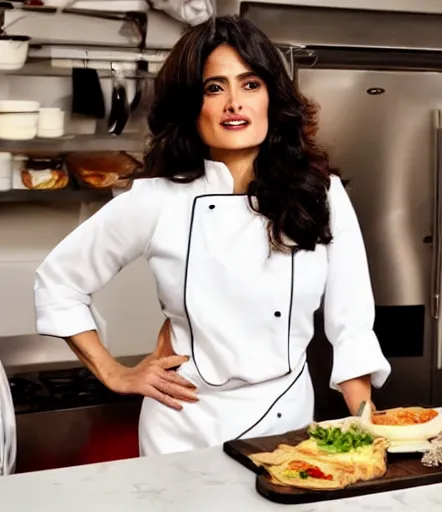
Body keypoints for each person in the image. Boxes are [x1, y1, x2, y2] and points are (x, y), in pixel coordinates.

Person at [33, 15, 391, 456]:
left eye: (251, 84)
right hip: (184, 426)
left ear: (272, 98)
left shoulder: (322, 193)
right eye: (214, 88)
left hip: (286, 421)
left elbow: (351, 321)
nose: (234, 103)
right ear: (191, 105)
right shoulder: (158, 199)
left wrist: (364, 420)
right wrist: (114, 372)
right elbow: (59, 283)